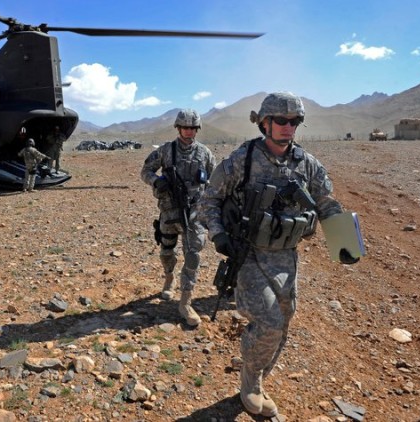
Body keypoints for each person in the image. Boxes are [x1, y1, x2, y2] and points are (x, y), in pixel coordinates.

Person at [198, 92, 360, 417]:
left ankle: (256, 366)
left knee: (284, 321)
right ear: (265, 123)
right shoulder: (242, 160)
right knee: (269, 323)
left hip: (287, 257)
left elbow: (326, 202)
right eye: (282, 121)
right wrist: (218, 235)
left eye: (295, 122)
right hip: (249, 255)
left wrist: (347, 243)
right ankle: (251, 380)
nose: (289, 128)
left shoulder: (306, 164)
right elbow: (208, 200)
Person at [141, 109, 216, 326]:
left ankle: (185, 302)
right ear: (178, 128)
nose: (189, 131)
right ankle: (169, 277)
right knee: (166, 251)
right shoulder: (166, 151)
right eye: (185, 127)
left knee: (193, 256)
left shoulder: (205, 153)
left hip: (194, 214)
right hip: (169, 212)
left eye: (193, 128)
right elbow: (145, 170)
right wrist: (156, 181)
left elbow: (213, 182)